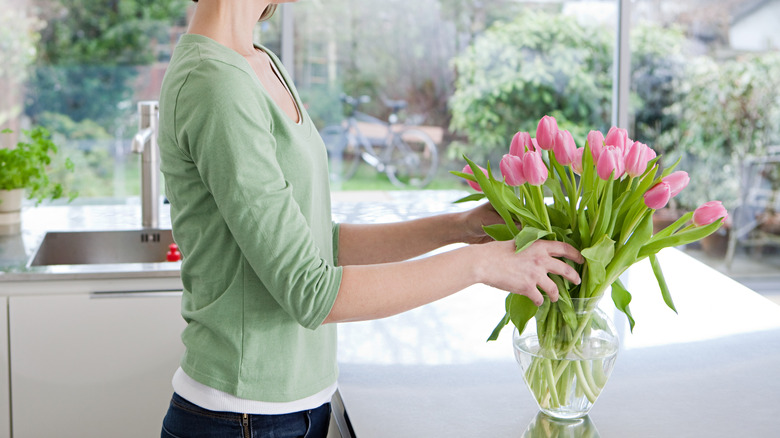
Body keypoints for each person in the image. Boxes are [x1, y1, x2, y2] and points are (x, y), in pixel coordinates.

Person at [158, 0, 584, 437]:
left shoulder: (259, 62)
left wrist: (459, 229)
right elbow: (311, 291)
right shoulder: (215, 84)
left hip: (292, 410)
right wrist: (482, 265)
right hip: (241, 417)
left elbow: (319, 244)